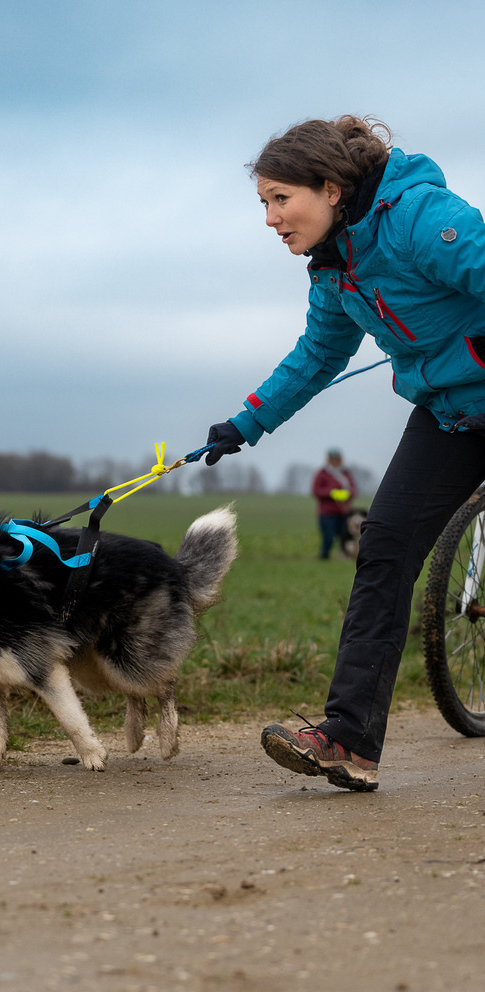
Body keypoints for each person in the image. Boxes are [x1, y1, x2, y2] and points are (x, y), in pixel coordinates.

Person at [205, 115, 485, 792]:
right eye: (262, 203)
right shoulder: (333, 273)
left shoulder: (418, 218)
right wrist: (244, 424)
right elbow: (317, 358)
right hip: (448, 414)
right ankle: (347, 740)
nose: (270, 218)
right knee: (384, 546)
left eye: (280, 199)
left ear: (329, 188)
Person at [311, 447, 357, 559]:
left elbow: (353, 489)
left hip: (344, 511)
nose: (335, 460)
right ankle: (324, 556)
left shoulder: (346, 473)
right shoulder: (322, 473)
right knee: (328, 536)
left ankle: (344, 556)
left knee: (344, 536)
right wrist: (331, 493)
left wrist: (345, 494)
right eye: (333, 458)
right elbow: (316, 490)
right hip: (327, 512)